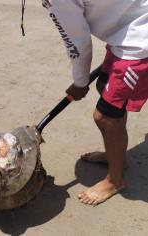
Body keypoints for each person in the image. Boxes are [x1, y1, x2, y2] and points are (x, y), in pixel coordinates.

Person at [43, 0, 148, 205]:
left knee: (106, 116)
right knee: (105, 88)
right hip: (127, 30)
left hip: (139, 42)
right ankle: (116, 155)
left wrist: (80, 82)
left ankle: (115, 180)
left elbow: (77, 43)